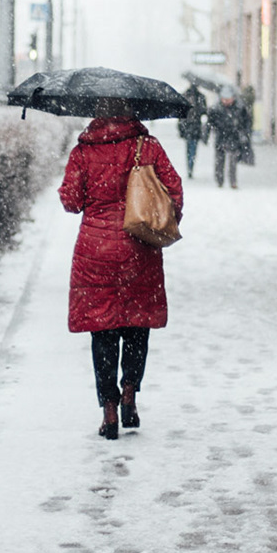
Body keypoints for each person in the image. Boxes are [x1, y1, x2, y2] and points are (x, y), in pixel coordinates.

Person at [59, 101, 183, 440]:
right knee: (136, 324)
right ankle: (130, 393)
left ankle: (109, 410)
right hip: (139, 248)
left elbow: (71, 201)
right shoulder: (149, 147)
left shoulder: (83, 151)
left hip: (94, 252)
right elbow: (174, 191)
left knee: (103, 329)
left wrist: (81, 192)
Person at [206, 87, 251, 189]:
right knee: (219, 161)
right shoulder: (216, 109)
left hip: (234, 138)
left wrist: (244, 133)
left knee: (233, 161)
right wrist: (208, 133)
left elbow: (246, 122)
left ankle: (233, 181)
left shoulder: (240, 108)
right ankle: (219, 180)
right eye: (224, 99)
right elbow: (210, 122)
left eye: (228, 99)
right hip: (220, 137)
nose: (226, 101)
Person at [177, 84, 208, 178]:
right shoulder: (200, 97)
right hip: (194, 126)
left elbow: (180, 113)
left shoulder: (185, 96)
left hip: (188, 125)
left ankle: (190, 166)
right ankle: (190, 166)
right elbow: (204, 111)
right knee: (192, 148)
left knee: (189, 148)